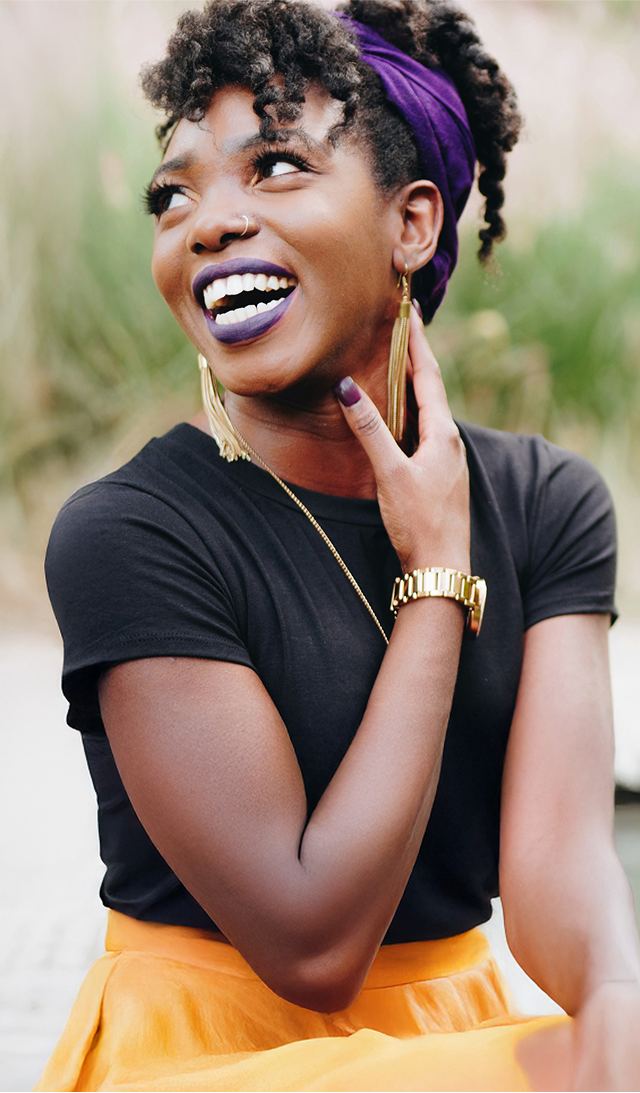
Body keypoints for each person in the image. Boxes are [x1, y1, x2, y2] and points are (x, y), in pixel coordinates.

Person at [36, 1, 640, 1090]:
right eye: (173, 194)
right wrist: (435, 581)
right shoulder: (130, 532)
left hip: (455, 1043)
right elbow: (312, 942)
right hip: (211, 1057)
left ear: (412, 223)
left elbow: (557, 866)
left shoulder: (548, 505)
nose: (206, 224)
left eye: (274, 167)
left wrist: (616, 1010)